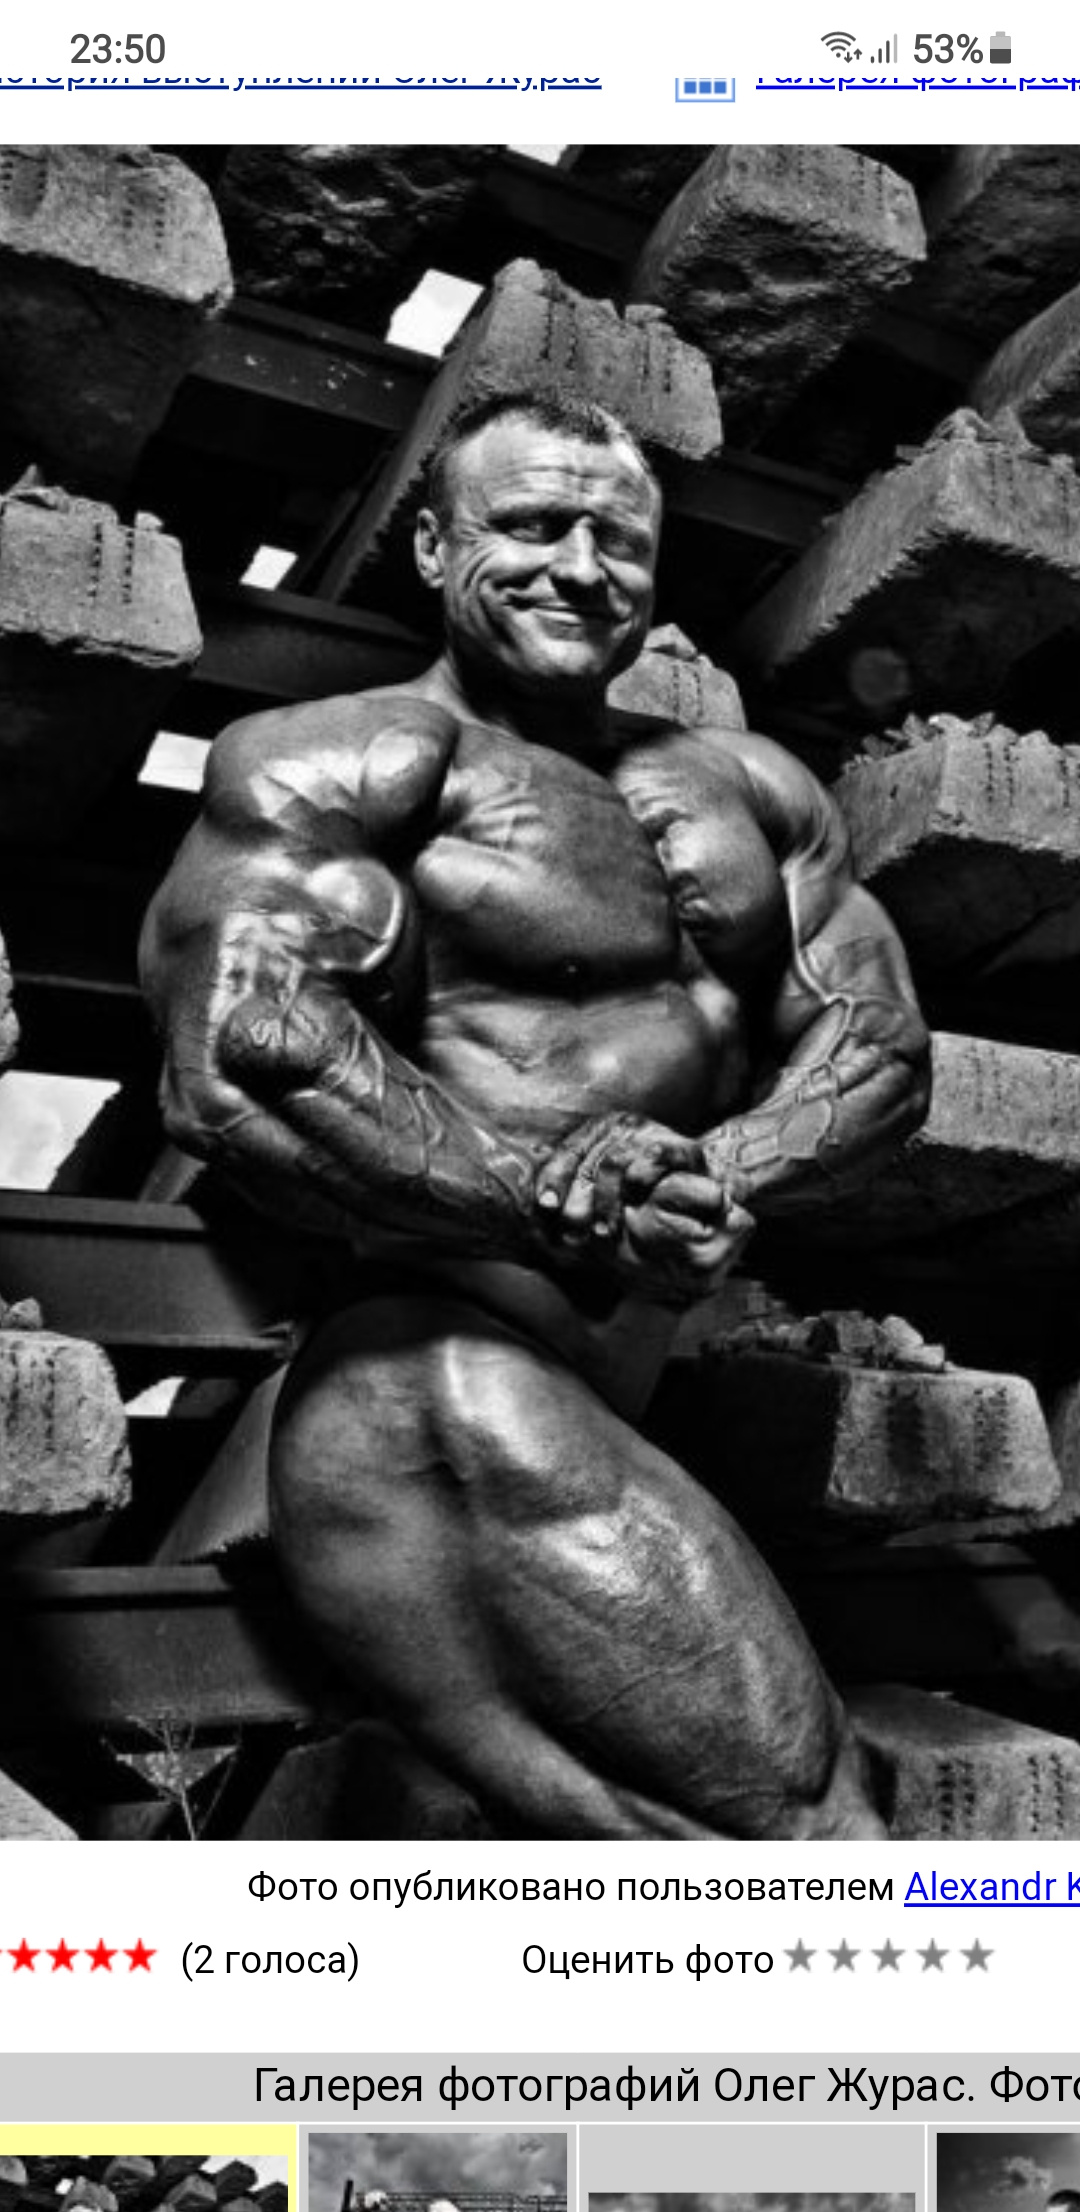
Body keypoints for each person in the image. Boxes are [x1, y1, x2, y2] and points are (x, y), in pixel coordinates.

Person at [140, 387, 930, 1841]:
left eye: (617, 539)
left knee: (699, 1879)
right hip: (435, 1391)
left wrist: (715, 1170)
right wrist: (561, 1206)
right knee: (815, 1834)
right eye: (532, 524)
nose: (580, 565)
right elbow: (246, 1055)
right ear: (435, 547)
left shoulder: (751, 789)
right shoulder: (342, 760)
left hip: (607, 1401)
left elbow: (878, 1043)